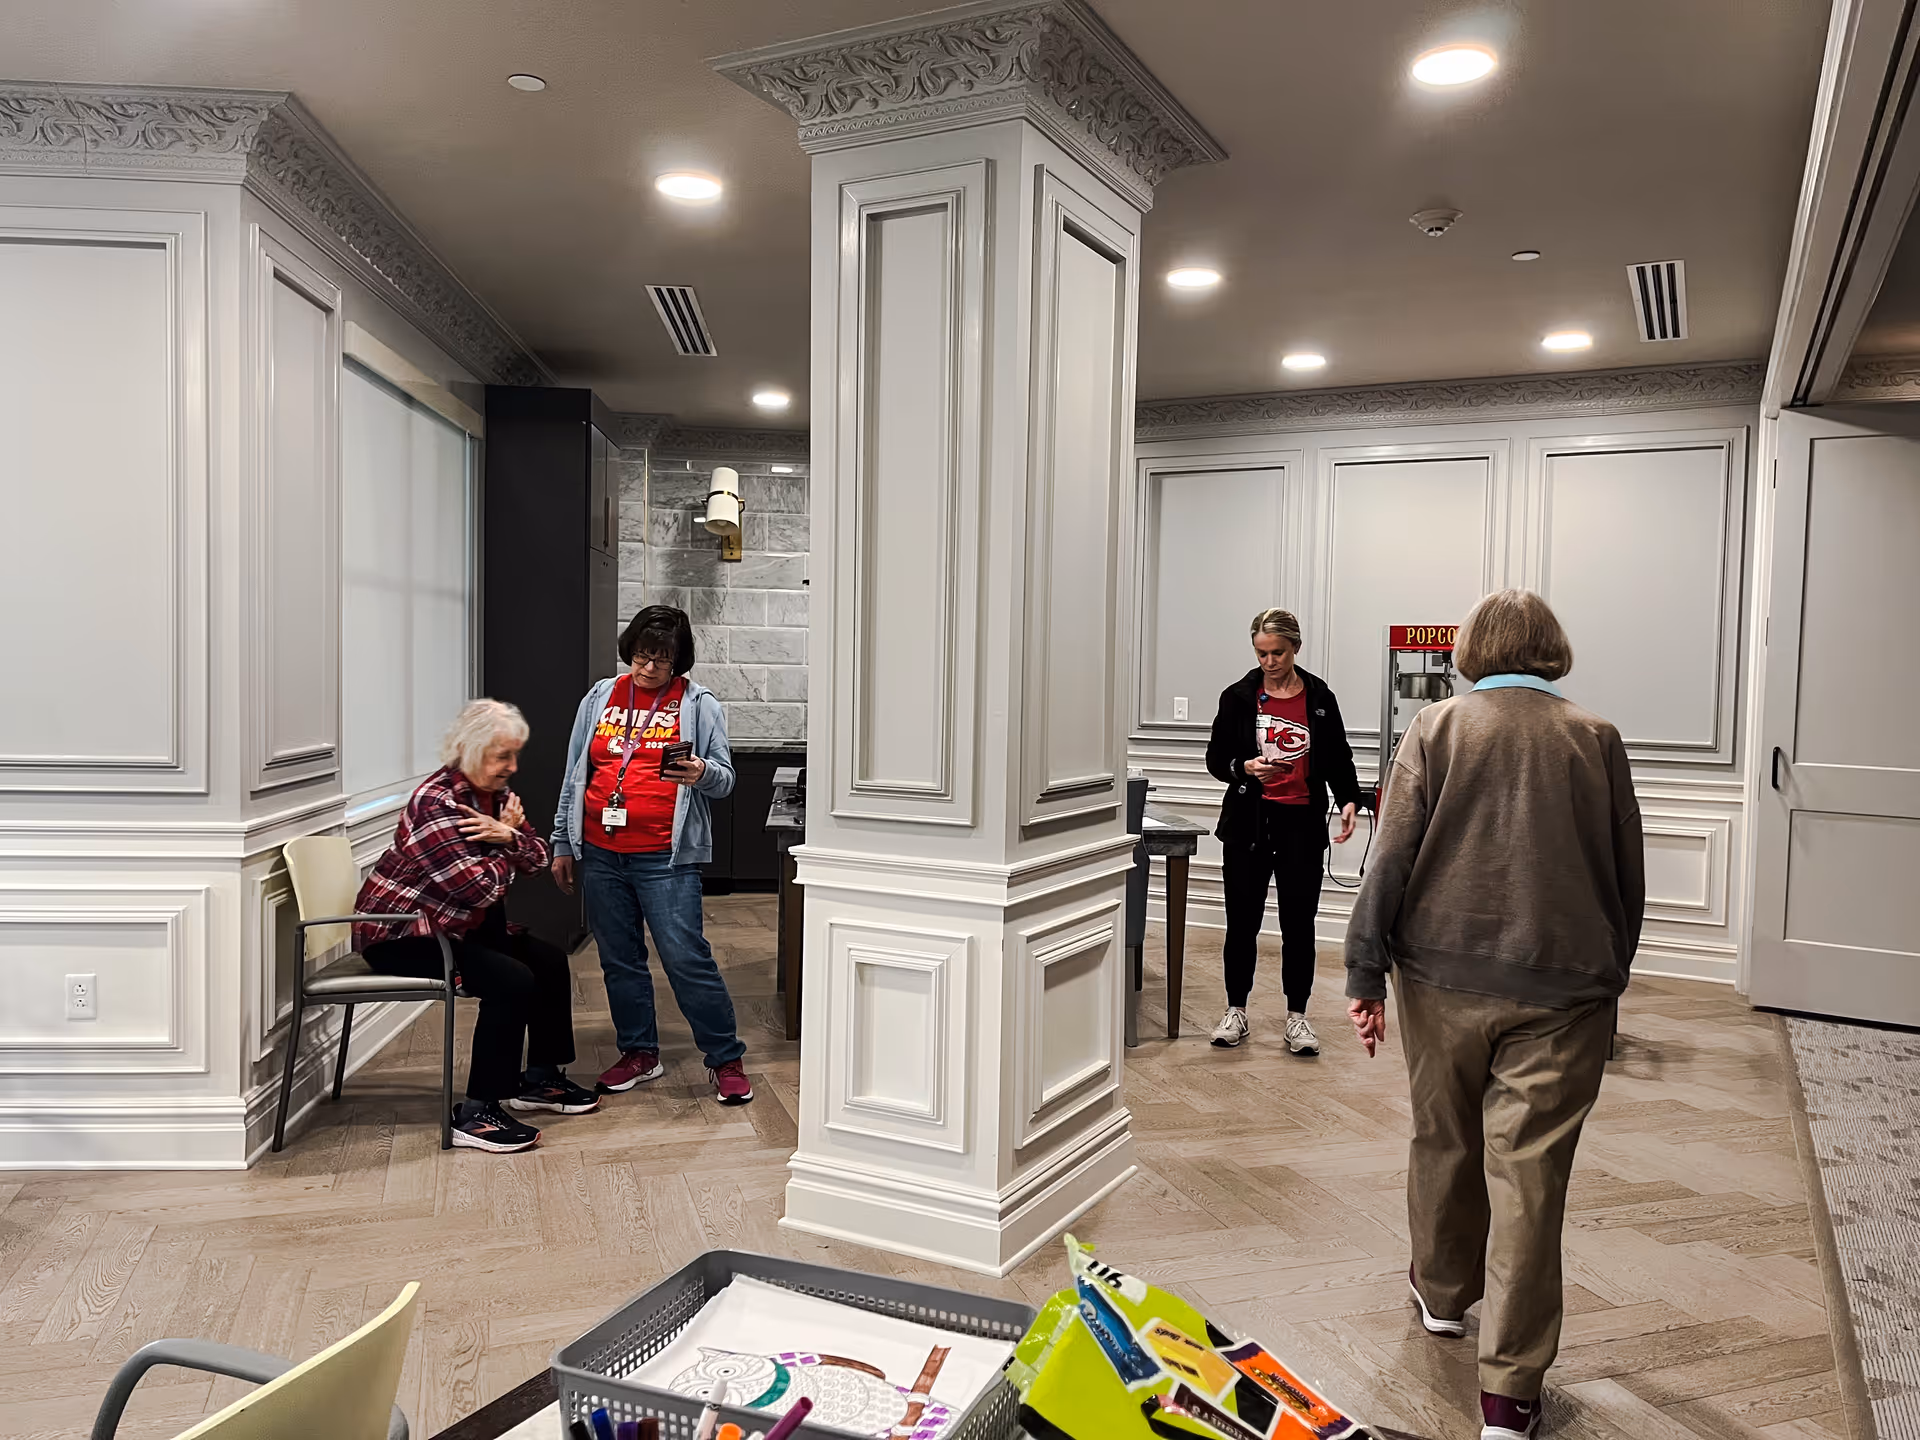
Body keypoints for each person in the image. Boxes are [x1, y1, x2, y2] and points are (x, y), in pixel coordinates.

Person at [1343, 589, 1645, 1440]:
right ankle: (1509, 1398)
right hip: (1564, 992)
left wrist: (1366, 974)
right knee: (1530, 1179)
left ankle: (1441, 1296)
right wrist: (1608, 977)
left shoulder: (1437, 729)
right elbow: (1629, 877)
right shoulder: (1596, 738)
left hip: (1438, 982)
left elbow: (1388, 859)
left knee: (1442, 1137)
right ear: (1552, 647)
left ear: (1471, 649)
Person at [354, 699, 599, 1154]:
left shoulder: (495, 798)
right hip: (403, 934)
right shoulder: (436, 804)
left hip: (456, 928)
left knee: (547, 961)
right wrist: (508, 844)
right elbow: (479, 891)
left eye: (514, 755)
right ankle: (477, 1111)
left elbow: (539, 857)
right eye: (502, 756)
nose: (512, 766)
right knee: (511, 980)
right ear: (468, 750)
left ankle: (540, 1079)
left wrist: (507, 836)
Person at [550, 605, 753, 1106]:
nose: (646, 668)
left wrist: (702, 771)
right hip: (600, 852)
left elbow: (725, 781)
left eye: (660, 661)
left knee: (686, 958)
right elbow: (576, 773)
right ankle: (640, 1052)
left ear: (677, 663)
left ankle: (725, 1057)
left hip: (666, 857)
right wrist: (561, 840)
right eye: (641, 656)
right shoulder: (601, 697)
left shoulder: (698, 704)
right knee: (620, 960)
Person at [1204, 608, 1362, 1054]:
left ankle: (1298, 1017)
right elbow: (1217, 759)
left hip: (1301, 826)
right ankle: (1236, 1011)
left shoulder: (1319, 697)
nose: (1269, 661)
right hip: (1247, 827)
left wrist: (1349, 798)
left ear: (1296, 648)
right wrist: (1244, 767)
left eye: (1277, 652)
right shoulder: (1237, 697)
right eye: (1261, 653)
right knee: (1242, 925)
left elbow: (1338, 757)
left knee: (1299, 925)